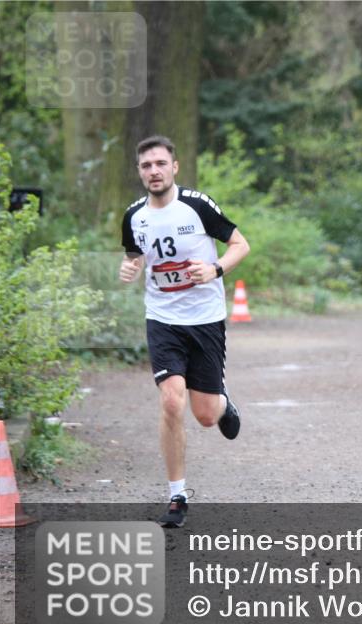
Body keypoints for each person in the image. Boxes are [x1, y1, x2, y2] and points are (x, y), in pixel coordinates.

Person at [118, 135, 250, 528]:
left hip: (205, 319)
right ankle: (177, 497)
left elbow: (240, 244)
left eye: (160, 163)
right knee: (171, 401)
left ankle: (224, 405)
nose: (153, 171)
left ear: (174, 167)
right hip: (162, 319)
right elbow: (134, 254)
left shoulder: (197, 206)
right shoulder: (134, 215)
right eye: (146, 166)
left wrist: (215, 269)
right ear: (139, 171)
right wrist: (129, 268)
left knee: (206, 415)